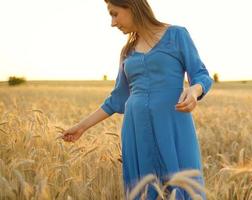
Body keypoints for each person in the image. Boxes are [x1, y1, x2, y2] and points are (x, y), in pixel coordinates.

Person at [61, 0, 213, 199]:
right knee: (143, 191)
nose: (113, 23)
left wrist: (194, 90)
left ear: (131, 5)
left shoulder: (177, 35)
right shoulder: (127, 52)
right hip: (136, 131)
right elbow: (116, 99)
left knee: (182, 188)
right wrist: (81, 127)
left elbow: (201, 75)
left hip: (173, 126)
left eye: (114, 14)